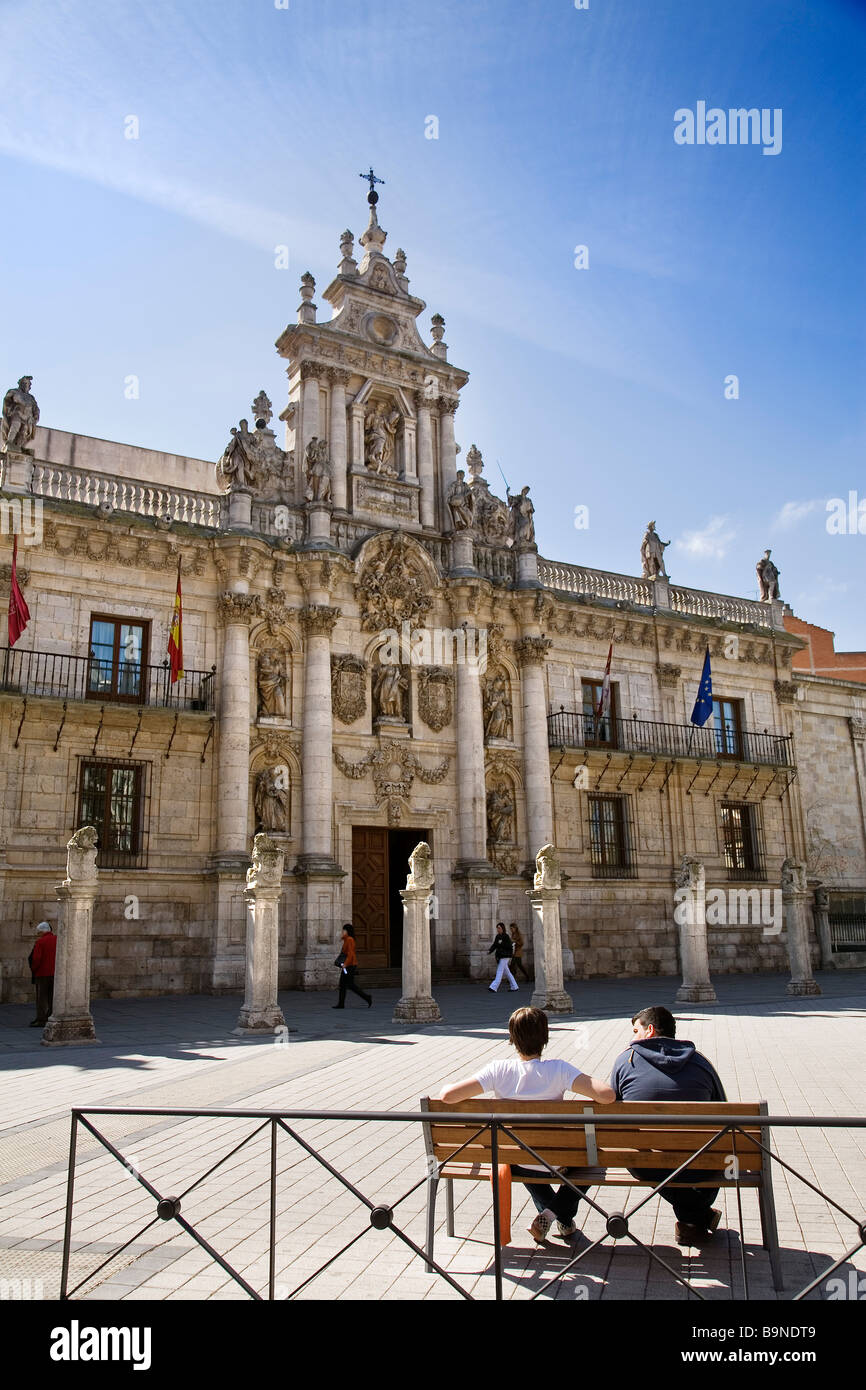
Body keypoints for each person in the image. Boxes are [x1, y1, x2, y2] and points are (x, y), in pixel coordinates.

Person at [439, 1006, 615, 1243]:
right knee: (592, 1165)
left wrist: (444, 1087)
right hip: (554, 1158)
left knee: (522, 1156)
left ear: (511, 1038)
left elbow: (448, 1096)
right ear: (545, 1038)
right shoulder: (559, 1069)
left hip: (517, 1158)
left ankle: (555, 1215)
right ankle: (557, 1216)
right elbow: (607, 1095)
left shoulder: (498, 1070)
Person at [609, 1005, 727, 1246]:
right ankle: (696, 1217)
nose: (632, 1037)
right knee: (717, 1160)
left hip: (647, 1162)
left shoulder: (626, 1061)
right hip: (701, 1162)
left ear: (649, 1030)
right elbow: (724, 1112)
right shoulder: (701, 1062)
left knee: (637, 1155)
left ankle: (694, 1217)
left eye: (635, 1030)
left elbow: (610, 1114)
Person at [332, 924, 372, 1010]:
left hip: (349, 966)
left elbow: (350, 954)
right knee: (343, 984)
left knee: (350, 985)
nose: (342, 932)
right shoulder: (347, 940)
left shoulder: (349, 940)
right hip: (348, 966)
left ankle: (367, 997)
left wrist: (345, 964)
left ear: (347, 931)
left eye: (344, 930)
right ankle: (341, 1004)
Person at [28, 921, 56, 1027]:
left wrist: (34, 970)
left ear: (41, 932)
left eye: (38, 933)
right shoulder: (58, 940)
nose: (37, 935)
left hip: (42, 973)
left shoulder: (40, 942)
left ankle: (41, 1019)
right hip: (55, 973)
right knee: (52, 996)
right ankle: (51, 1015)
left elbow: (36, 959)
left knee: (41, 997)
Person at [487, 923, 518, 993]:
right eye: (497, 928)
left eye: (499, 928)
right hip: (500, 956)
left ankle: (493, 987)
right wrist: (490, 950)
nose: (498, 929)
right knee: (507, 972)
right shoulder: (497, 936)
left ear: (502, 928)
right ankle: (514, 986)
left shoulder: (506, 936)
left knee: (499, 971)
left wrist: (501, 944)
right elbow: (494, 945)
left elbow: (509, 946)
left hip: (505, 956)